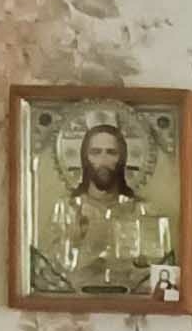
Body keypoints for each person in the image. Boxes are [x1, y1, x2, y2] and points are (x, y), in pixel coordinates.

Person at [47, 119, 161, 293]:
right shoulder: (67, 209)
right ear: (85, 158)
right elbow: (52, 271)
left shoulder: (141, 210)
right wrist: (75, 240)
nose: (103, 160)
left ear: (122, 158)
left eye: (111, 152)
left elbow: (154, 271)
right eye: (95, 152)